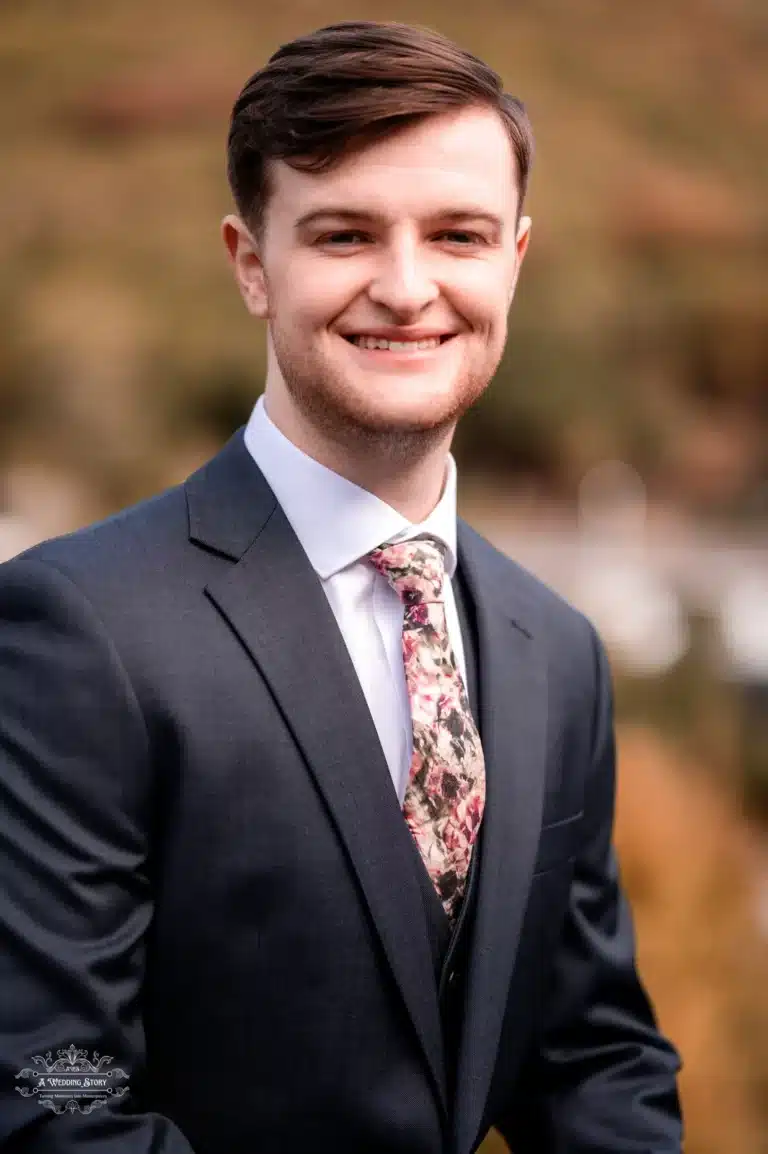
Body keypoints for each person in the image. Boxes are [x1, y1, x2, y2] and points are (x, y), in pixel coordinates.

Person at [0, 20, 683, 1154]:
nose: (407, 287)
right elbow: (49, 1095)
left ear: (514, 258)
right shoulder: (77, 629)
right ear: (252, 263)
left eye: (456, 234)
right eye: (345, 234)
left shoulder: (556, 649)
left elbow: (594, 1057)